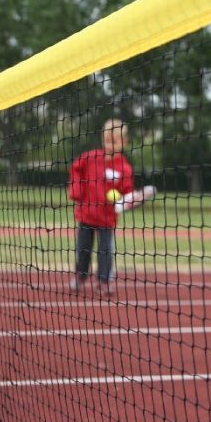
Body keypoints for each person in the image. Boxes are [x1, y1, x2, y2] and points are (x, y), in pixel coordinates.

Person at [67, 119, 134, 296]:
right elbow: (75, 169)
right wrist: (76, 188)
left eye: (115, 141)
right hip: (86, 215)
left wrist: (125, 200)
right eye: (107, 141)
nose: (110, 145)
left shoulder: (125, 169)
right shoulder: (89, 158)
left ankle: (104, 281)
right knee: (83, 250)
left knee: (105, 251)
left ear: (124, 142)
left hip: (107, 219)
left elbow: (126, 194)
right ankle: (80, 277)